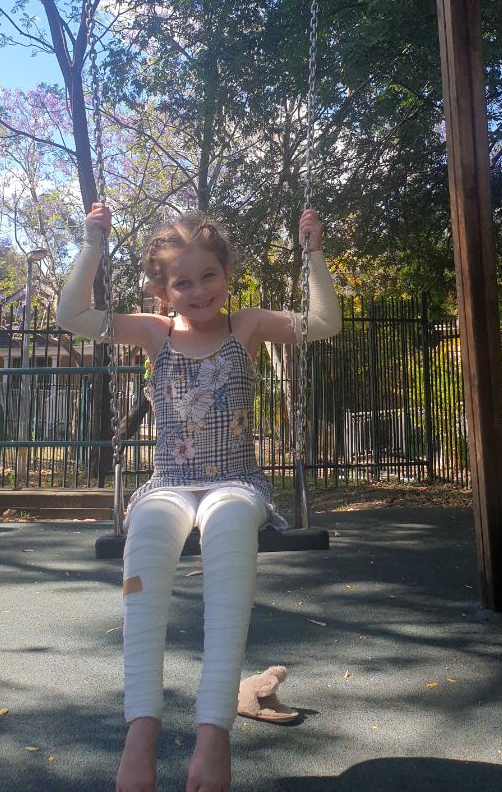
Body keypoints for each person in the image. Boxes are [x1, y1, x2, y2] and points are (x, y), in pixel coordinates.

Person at [57, 203, 341, 792]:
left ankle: (213, 734)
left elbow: (323, 322)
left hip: (236, 483)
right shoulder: (152, 332)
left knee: (230, 525)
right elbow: (71, 315)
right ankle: (142, 730)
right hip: (167, 483)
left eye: (209, 275)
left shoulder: (248, 326)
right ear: (162, 291)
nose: (198, 290)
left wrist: (313, 253)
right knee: (145, 539)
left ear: (227, 274)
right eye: (182, 282)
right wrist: (92, 244)